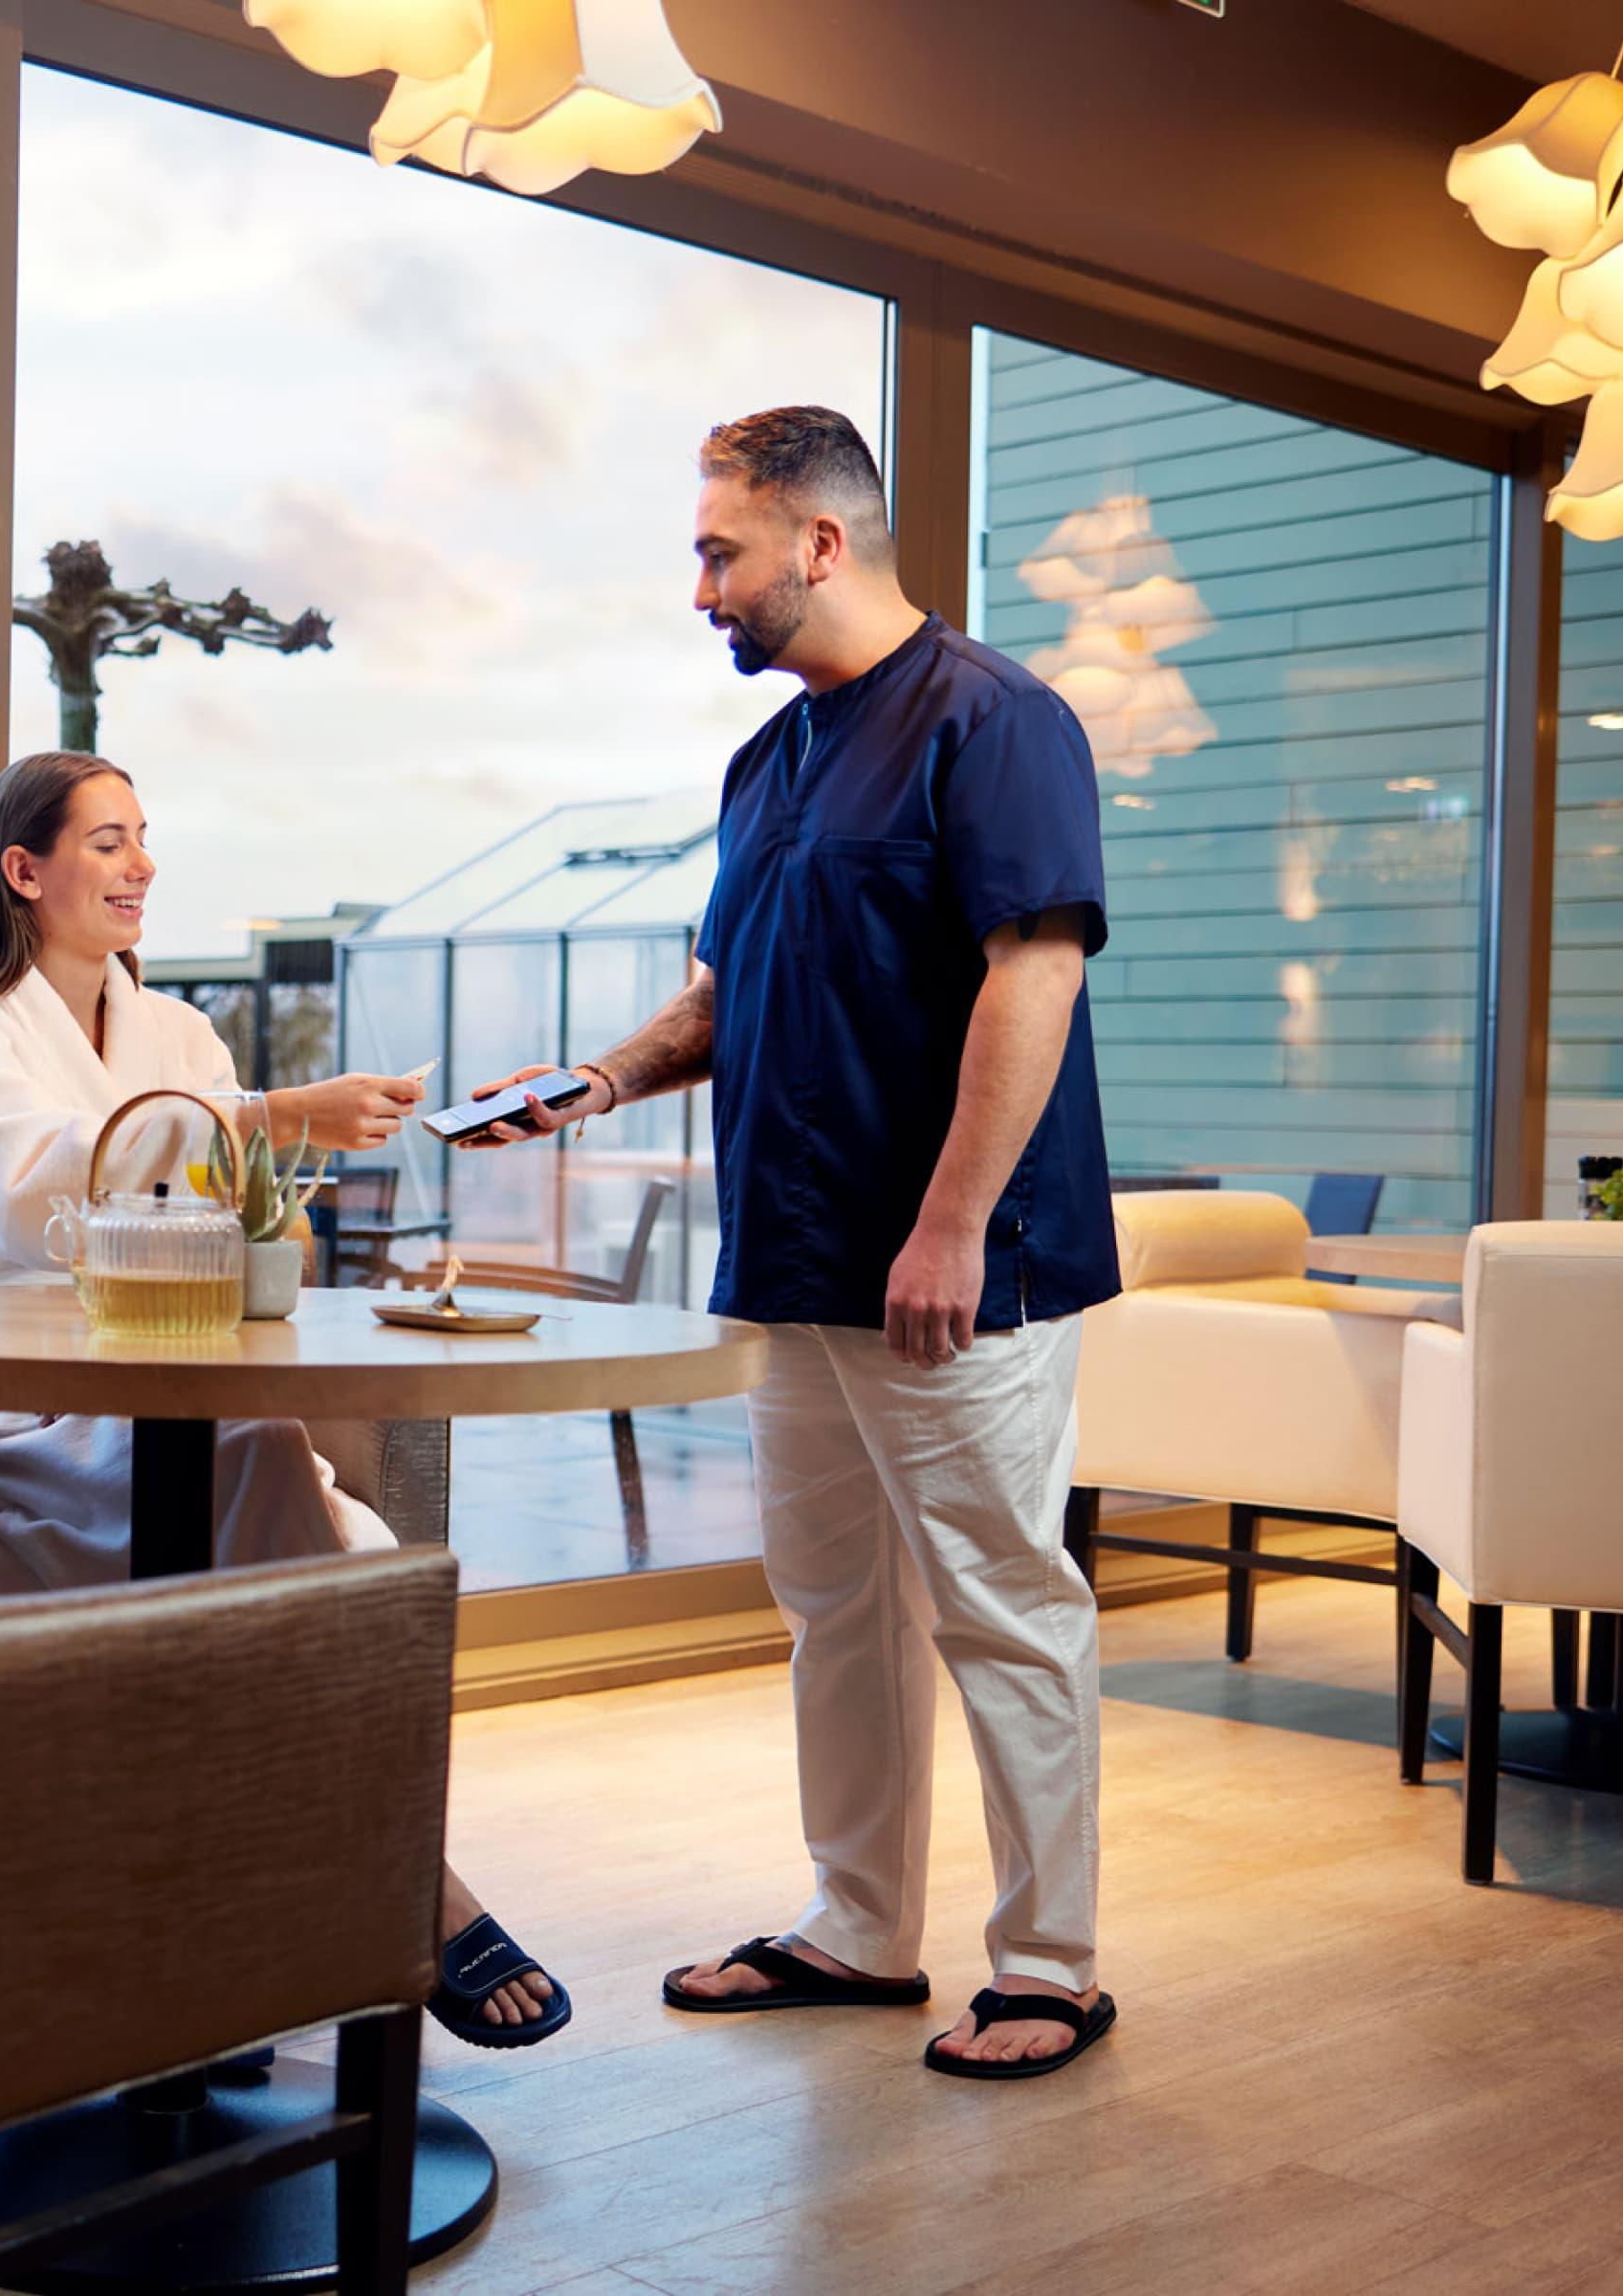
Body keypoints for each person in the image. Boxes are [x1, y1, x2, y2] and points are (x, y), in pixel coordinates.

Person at [467, 407, 1122, 2078]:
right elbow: (725, 991)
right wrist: (599, 1076)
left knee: (999, 1602)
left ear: (819, 545)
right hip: (799, 1254)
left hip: (954, 1272)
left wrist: (954, 1222)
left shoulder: (998, 719)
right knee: (837, 1606)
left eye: (717, 552)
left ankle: (1049, 1964)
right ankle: (858, 1927)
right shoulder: (768, 765)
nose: (701, 590)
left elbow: (1032, 973)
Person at [0, 748, 569, 2046]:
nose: (139, 863)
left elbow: (248, 1234)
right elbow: (35, 1200)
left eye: (144, 835)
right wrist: (263, 1119)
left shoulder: (176, 1032)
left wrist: (259, 1167)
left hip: (183, 1382)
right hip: (29, 1409)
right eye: (104, 840)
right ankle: (408, 1882)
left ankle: (236, 1945)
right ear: (23, 871)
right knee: (256, 1446)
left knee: (260, 1449)